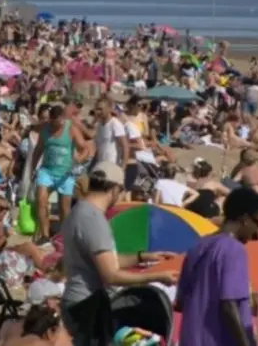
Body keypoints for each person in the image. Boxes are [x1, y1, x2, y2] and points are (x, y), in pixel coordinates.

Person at [60, 161, 177, 344]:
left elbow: (107, 261)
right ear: (115, 189)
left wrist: (142, 257)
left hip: (77, 300)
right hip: (86, 304)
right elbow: (111, 275)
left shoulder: (79, 211)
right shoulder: (93, 220)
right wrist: (157, 277)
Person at [176, 187, 258, 346]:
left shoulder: (197, 246)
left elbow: (181, 302)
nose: (257, 231)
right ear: (245, 219)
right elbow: (229, 305)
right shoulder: (234, 249)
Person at [32, 105, 89, 244]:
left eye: (56, 122)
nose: (53, 125)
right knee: (41, 201)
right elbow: (38, 150)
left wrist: (77, 161)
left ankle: (64, 237)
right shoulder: (45, 131)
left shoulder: (71, 130)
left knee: (64, 208)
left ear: (62, 120)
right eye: (51, 122)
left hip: (65, 174)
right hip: (47, 171)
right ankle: (45, 235)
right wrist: (33, 169)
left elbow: (85, 149)